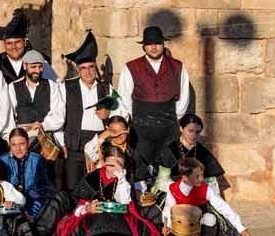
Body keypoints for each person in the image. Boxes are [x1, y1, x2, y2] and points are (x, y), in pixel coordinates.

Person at [55, 146, 168, 236]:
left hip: (120, 217)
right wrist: (88, 208)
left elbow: (125, 201)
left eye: (119, 165)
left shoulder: (125, 179)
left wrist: (121, 178)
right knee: (98, 223)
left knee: (127, 227)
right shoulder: (92, 178)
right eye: (111, 165)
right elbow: (78, 206)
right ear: (104, 162)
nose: (115, 169)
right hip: (93, 217)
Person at [50, 31, 124, 192]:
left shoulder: (106, 89)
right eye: (83, 68)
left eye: (91, 67)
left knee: (98, 187)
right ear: (78, 69)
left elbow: (123, 113)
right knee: (73, 187)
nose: (88, 71)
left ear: (95, 67)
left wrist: (109, 114)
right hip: (74, 144)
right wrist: (62, 142)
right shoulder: (66, 87)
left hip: (100, 144)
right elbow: (58, 116)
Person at [118, 26, 190, 171]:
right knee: (141, 169)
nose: (154, 47)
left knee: (170, 168)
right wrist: (134, 120)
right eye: (150, 44)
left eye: (157, 43)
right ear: (144, 47)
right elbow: (124, 97)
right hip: (141, 130)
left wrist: (173, 119)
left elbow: (183, 97)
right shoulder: (131, 67)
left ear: (163, 45)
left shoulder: (178, 66)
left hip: (169, 128)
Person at [163, 157, 251, 236]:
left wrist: (240, 227)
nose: (201, 179)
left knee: (210, 218)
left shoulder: (205, 189)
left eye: (202, 175)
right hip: (182, 228)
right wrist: (168, 226)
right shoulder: (173, 188)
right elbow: (168, 208)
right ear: (185, 177)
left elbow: (223, 207)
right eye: (197, 176)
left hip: (200, 227)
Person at [153, 113, 226, 194]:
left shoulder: (203, 152)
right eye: (190, 131)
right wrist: (181, 190)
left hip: (197, 194)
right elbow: (162, 180)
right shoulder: (170, 149)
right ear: (181, 128)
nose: (194, 135)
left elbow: (211, 183)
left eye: (198, 132)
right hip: (171, 193)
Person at [6, 49, 64, 147]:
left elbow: (59, 113)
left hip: (46, 139)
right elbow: (8, 116)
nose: (37, 70)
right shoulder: (13, 87)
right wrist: (11, 139)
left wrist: (44, 125)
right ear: (25, 66)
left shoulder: (52, 85)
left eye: (40, 66)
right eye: (33, 67)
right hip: (22, 140)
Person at [0, 127, 52, 219]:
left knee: (49, 208)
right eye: (14, 145)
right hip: (10, 204)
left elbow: (43, 190)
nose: (18, 149)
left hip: (33, 202)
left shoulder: (37, 160)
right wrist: (8, 203)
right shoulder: (1, 161)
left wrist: (31, 211)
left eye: (22, 144)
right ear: (9, 145)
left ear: (28, 143)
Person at [84, 115, 151, 182]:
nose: (118, 134)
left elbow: (141, 180)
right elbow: (88, 150)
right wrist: (106, 134)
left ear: (127, 130)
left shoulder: (133, 153)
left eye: (121, 131)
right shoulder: (101, 150)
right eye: (114, 131)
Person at [0, 8, 30, 84]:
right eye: (9, 43)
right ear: (4, 44)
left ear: (25, 42)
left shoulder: (40, 62)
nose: (13, 47)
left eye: (17, 42)